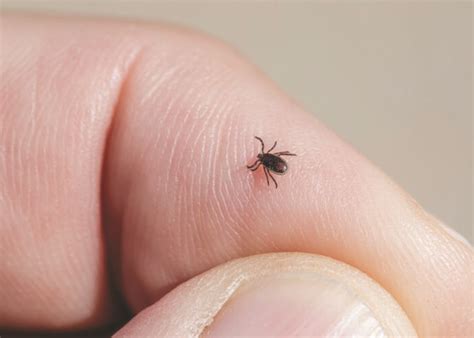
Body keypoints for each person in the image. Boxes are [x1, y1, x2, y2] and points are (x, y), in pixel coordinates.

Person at [1, 14, 472, 337]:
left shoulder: (264, 162)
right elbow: (273, 161)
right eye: (265, 161)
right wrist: (268, 166)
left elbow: (268, 161)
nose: (265, 163)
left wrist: (263, 164)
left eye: (265, 161)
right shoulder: (269, 162)